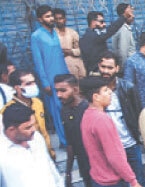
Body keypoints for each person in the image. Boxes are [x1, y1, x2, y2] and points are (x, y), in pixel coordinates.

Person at [97, 52, 145, 187]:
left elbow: (138, 114)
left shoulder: (127, 88)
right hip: (111, 149)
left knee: (139, 182)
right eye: (102, 67)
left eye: (109, 67)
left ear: (117, 69)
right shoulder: (97, 91)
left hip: (129, 144)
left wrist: (142, 139)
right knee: (120, 186)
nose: (105, 71)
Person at [30, 5, 69, 148]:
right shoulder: (36, 36)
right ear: (40, 19)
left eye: (51, 15)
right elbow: (38, 61)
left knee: (67, 110)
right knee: (57, 111)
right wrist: (45, 82)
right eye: (47, 16)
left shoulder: (54, 33)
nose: (51, 18)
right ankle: (65, 142)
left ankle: (72, 141)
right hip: (50, 81)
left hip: (63, 77)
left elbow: (59, 56)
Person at [2, 70, 56, 160]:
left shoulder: (37, 102)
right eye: (28, 83)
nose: (33, 85)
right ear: (17, 88)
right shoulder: (8, 111)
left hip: (45, 152)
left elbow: (43, 130)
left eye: (34, 82)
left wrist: (50, 152)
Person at [53, 8, 86, 80]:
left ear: (65, 19)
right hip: (60, 64)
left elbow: (81, 50)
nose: (58, 21)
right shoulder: (52, 34)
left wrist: (70, 51)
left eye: (60, 18)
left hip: (75, 64)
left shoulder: (72, 33)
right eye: (56, 19)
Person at [111, 3, 136, 69]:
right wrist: (123, 69)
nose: (133, 16)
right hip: (127, 67)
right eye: (131, 14)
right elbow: (123, 53)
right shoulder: (123, 29)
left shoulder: (121, 27)